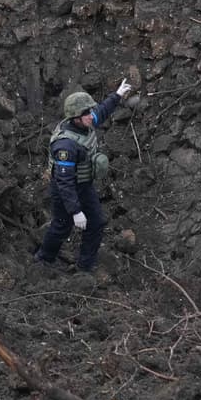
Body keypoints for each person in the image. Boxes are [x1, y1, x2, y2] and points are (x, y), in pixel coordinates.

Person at [35, 78, 134, 274]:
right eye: (87, 113)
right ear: (76, 117)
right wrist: (75, 211)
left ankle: (85, 267)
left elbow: (102, 111)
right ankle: (43, 259)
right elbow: (64, 182)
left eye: (90, 112)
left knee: (96, 222)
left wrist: (117, 95)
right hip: (65, 190)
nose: (92, 116)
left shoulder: (85, 122)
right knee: (62, 226)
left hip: (84, 185)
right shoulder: (66, 145)